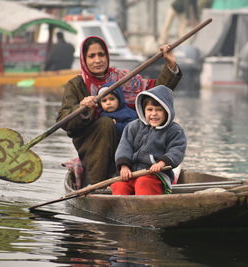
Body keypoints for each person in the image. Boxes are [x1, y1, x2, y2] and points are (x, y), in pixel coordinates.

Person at [57, 36, 182, 187]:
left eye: (101, 55)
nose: (98, 60)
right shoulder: (76, 84)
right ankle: (96, 184)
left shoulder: (122, 78)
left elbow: (155, 94)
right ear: (84, 59)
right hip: (92, 143)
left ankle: (137, 177)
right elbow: (64, 120)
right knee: (106, 123)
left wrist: (170, 63)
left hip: (127, 137)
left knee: (139, 125)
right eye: (91, 56)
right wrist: (81, 108)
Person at [112, 85, 187, 195]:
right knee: (119, 185)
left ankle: (144, 210)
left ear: (167, 111)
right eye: (150, 109)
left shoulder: (174, 130)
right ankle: (121, 211)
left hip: (156, 175)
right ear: (143, 110)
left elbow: (177, 150)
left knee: (143, 183)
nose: (154, 114)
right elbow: (124, 147)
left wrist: (161, 163)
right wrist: (124, 166)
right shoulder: (132, 126)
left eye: (159, 110)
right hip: (132, 173)